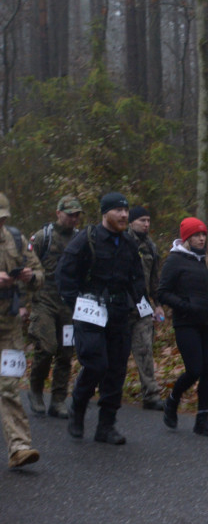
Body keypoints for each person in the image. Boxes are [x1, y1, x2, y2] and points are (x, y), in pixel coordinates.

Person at [56, 192, 146, 445]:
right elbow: (65, 274)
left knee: (116, 369)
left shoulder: (129, 244)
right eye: (118, 210)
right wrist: (77, 304)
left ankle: (106, 426)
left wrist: (142, 303)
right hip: (90, 313)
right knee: (96, 364)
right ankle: (78, 409)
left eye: (126, 211)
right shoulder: (87, 239)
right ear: (105, 213)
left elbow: (137, 277)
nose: (124, 215)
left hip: (119, 313)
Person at [157, 217, 208, 437]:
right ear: (187, 238)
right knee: (194, 369)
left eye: (204, 234)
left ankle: (202, 420)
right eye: (197, 235)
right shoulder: (175, 261)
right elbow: (162, 292)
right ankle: (172, 400)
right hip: (187, 323)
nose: (201, 238)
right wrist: (186, 306)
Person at [26, 195, 82, 419]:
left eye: (77, 215)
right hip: (44, 299)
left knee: (66, 352)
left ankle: (58, 399)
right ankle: (36, 390)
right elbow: (27, 268)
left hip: (69, 302)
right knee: (46, 347)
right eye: (70, 215)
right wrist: (23, 303)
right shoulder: (43, 237)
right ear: (58, 213)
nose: (74, 219)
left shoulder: (80, 239)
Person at [0, 193, 45, 467]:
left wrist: (31, 277)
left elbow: (40, 275)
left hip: (8, 326)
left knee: (8, 387)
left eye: (2, 218)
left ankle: (18, 446)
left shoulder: (16, 239)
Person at [125, 206, 165, 410]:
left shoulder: (150, 246)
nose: (146, 224)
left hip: (142, 307)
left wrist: (157, 305)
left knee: (145, 349)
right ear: (131, 222)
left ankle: (150, 394)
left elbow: (154, 279)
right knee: (112, 353)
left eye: (148, 220)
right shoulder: (120, 241)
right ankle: (101, 389)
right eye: (142, 220)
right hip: (120, 307)